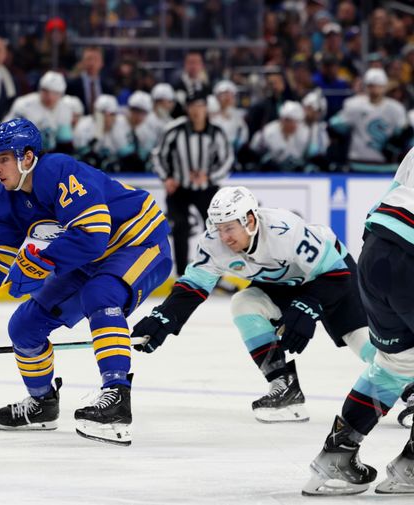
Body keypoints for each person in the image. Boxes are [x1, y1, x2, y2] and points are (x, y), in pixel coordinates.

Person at [0, 117, 172, 446]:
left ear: (27, 157)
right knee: (24, 327)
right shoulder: (2, 200)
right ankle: (43, 404)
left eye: (4, 159)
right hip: (89, 257)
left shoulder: (58, 171)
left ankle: (116, 398)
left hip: (138, 240)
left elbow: (93, 236)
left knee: (100, 295)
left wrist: (41, 262)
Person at [131, 186, 375, 423]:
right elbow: (193, 286)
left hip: (331, 278)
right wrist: (163, 317)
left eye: (229, 228)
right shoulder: (214, 243)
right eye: (218, 228)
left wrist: (308, 307)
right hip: (284, 283)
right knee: (244, 303)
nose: (224, 237)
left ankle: (410, 386)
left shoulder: (284, 230)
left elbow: (336, 275)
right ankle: (284, 385)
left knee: (365, 344)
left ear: (249, 220)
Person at [302, 147, 414, 496]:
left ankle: (337, 455)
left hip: (375, 251)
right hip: (408, 256)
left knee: (396, 364)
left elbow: (392, 193)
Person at [152, 91, 233, 276]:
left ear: (206, 108)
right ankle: (182, 275)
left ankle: (215, 274)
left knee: (216, 229)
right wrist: (167, 178)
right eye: (193, 106)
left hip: (207, 189)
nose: (197, 111)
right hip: (179, 189)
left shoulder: (216, 133)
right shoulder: (174, 130)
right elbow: (158, 156)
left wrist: (209, 178)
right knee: (180, 227)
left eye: (200, 106)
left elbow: (227, 160)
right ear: (187, 109)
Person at [329, 68, 411, 173]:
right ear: (366, 86)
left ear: (384, 87)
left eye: (378, 85)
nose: (375, 90)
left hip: (386, 165)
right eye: (372, 86)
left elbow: (405, 133)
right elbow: (334, 127)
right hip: (358, 162)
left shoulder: (395, 108)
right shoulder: (354, 105)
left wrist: (392, 147)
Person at [5, 71, 74, 154]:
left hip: (49, 155)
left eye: (55, 93)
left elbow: (64, 142)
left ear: (61, 94)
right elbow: (7, 135)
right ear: (40, 89)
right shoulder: (23, 105)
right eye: (46, 91)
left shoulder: (64, 108)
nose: (50, 97)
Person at [247, 101, 317, 172]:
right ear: (283, 120)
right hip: (272, 172)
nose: (295, 125)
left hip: (297, 172)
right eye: (290, 121)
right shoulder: (267, 132)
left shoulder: (305, 133)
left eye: (297, 122)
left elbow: (310, 154)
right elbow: (254, 150)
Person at [73, 94, 130, 172]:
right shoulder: (84, 126)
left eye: (112, 114)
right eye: (103, 114)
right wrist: (97, 135)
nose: (108, 118)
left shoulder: (120, 125)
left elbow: (127, 156)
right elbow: (81, 155)